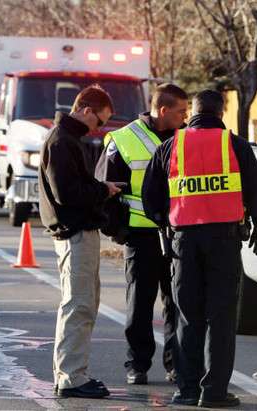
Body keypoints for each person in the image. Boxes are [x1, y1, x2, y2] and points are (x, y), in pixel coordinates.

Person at [142, 89, 257, 407]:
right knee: (222, 318)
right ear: (222, 112)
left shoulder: (171, 145)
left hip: (183, 243)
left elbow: (150, 197)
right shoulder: (236, 145)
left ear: (194, 112)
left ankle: (186, 390)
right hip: (224, 243)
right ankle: (213, 392)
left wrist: (166, 225)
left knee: (188, 316)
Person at [95, 83, 188, 385]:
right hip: (141, 236)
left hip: (176, 233)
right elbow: (105, 190)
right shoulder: (124, 139)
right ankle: (138, 364)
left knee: (176, 302)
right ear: (163, 111)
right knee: (140, 303)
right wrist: (119, 231)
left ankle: (176, 364)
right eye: (181, 112)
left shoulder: (185, 138)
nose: (185, 117)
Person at [38, 85, 122, 399]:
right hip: (74, 233)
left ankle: (71, 374)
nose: (98, 129)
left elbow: (72, 186)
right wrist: (103, 191)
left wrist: (100, 187)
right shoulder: (62, 141)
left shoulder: (67, 139)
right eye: (100, 121)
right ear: (86, 109)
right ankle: (71, 378)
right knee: (79, 305)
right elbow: (67, 193)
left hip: (74, 232)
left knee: (82, 304)